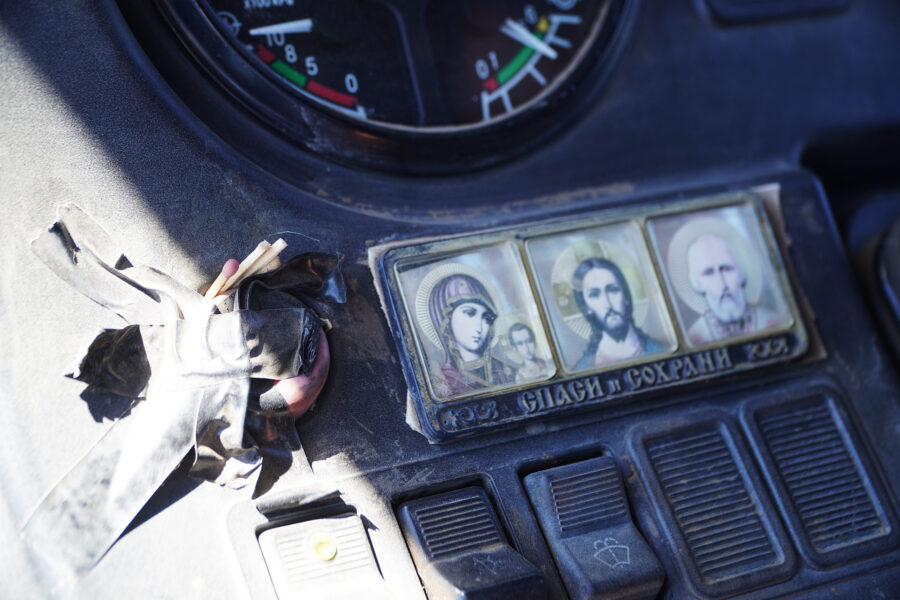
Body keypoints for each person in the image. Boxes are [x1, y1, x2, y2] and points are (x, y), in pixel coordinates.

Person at [428, 273, 515, 396]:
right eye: (469, 313)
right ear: (446, 320)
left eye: (486, 318)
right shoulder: (443, 381)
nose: (479, 327)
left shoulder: (509, 373)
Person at [685, 233, 779, 344]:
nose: (722, 284)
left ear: (741, 273)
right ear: (698, 283)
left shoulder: (772, 322)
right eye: (709, 273)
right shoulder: (696, 336)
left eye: (727, 269)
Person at [573, 257, 664, 369]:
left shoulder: (660, 350)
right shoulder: (584, 368)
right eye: (595, 295)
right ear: (587, 307)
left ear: (625, 295)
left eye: (613, 290)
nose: (608, 304)